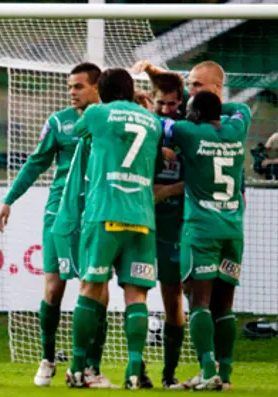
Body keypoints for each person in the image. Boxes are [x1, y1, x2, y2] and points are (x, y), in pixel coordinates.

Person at [0, 63, 109, 387]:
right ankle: (47, 358)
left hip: (97, 213)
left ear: (97, 86)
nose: (71, 92)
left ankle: (91, 366)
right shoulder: (60, 122)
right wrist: (9, 199)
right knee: (54, 288)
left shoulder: (110, 120)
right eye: (69, 86)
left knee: (98, 291)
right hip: (59, 213)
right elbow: (36, 162)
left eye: (78, 86)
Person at [66, 68, 163, 390]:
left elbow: (78, 131)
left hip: (105, 211)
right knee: (137, 294)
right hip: (142, 217)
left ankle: (78, 368)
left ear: (102, 91)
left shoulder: (97, 112)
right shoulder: (152, 120)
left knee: (90, 288)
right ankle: (135, 371)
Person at [162, 91, 250, 390]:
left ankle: (207, 368)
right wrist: (215, 108)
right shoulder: (237, 128)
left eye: (189, 110)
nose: (185, 114)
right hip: (233, 231)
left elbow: (160, 125)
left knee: (197, 300)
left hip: (201, 229)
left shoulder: (189, 131)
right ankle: (224, 375)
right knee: (224, 305)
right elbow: (241, 108)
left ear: (196, 114)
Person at [149, 72, 188, 389]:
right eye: (160, 103)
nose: (166, 109)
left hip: (178, 225)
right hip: (142, 224)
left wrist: (168, 190)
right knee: (135, 294)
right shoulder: (145, 128)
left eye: (172, 103)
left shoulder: (190, 130)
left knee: (174, 298)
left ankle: (169, 374)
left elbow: (201, 181)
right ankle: (136, 369)